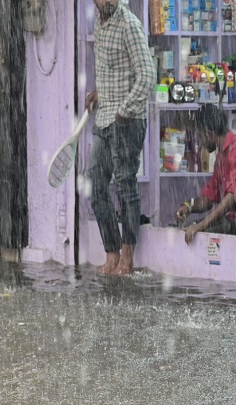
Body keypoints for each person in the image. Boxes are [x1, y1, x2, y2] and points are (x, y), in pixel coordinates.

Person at [85, 0, 153, 275]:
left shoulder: (129, 25)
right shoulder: (98, 24)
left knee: (125, 185)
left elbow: (146, 75)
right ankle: (111, 253)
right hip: (104, 118)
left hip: (127, 119)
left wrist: (125, 109)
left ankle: (127, 256)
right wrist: (99, 93)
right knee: (96, 185)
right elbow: (113, 70)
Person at [175, 104, 236, 244]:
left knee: (200, 230)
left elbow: (231, 199)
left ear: (209, 133)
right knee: (189, 230)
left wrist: (201, 226)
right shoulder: (221, 157)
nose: (199, 142)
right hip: (235, 221)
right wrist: (188, 206)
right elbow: (209, 198)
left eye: (199, 135)